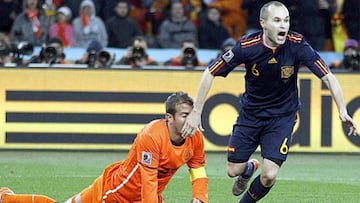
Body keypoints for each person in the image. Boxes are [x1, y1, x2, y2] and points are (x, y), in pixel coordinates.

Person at [180, 1, 358, 203]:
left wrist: (342, 110)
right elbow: (209, 72)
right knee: (232, 170)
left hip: (282, 117)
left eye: (286, 20)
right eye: (277, 20)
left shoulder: (297, 44)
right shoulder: (247, 47)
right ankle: (248, 170)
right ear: (263, 23)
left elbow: (328, 77)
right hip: (251, 114)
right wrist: (196, 112)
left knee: (269, 175)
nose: (283, 25)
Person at [0, 92, 209, 203]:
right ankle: (7, 198)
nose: (190, 120)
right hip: (115, 194)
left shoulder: (195, 138)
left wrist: (199, 198)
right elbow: (148, 182)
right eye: (184, 115)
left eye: (192, 115)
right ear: (169, 118)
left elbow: (198, 169)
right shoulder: (151, 136)